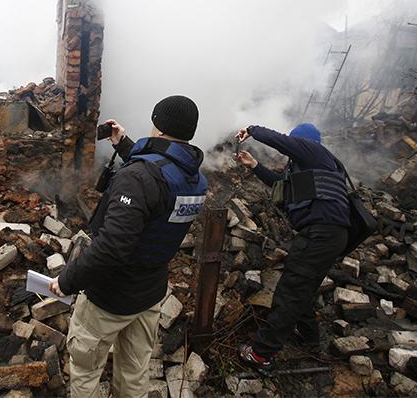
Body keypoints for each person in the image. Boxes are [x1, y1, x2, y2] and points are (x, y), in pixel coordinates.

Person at [49, 95, 208, 398]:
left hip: (110, 295)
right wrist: (123, 143)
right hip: (150, 294)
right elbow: (162, 172)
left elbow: (111, 250)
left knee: (85, 371)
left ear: (157, 124)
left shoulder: (137, 177)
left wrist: (67, 281)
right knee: (134, 374)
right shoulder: (195, 179)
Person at [234, 123, 350, 376]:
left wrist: (252, 129)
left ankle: (262, 354)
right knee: (302, 288)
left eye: (294, 146)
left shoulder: (315, 152)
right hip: (329, 235)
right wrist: (254, 165)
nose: (290, 153)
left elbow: (280, 141)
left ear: (304, 143)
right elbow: (281, 186)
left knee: (290, 290)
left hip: (321, 233)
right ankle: (309, 338)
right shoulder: (309, 168)